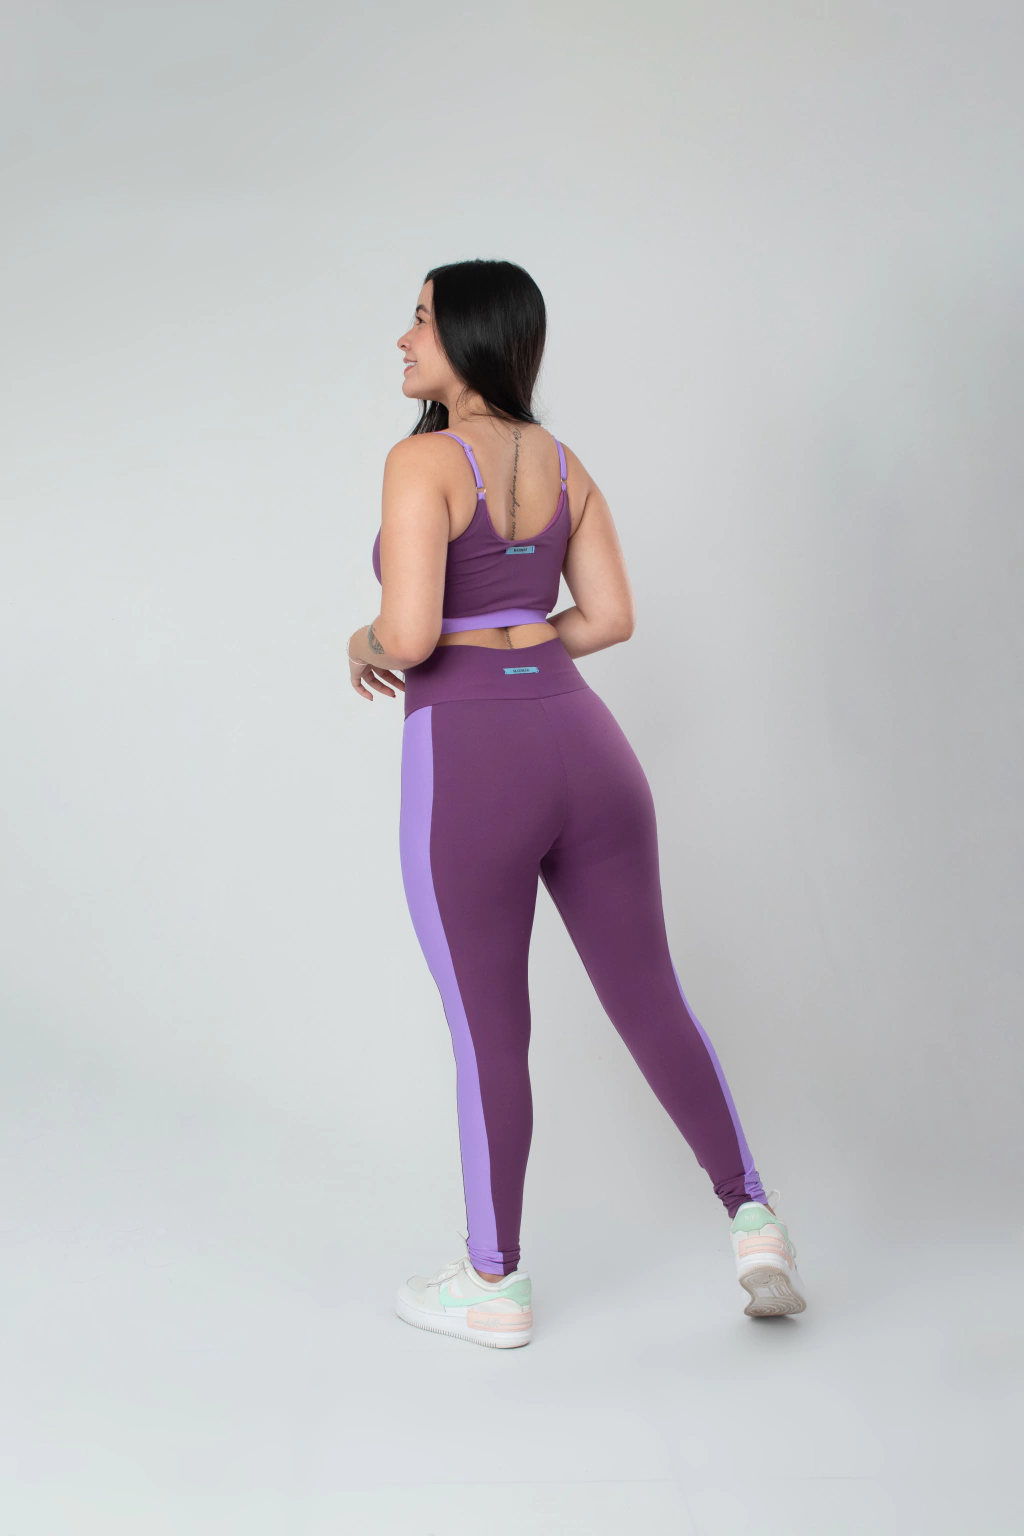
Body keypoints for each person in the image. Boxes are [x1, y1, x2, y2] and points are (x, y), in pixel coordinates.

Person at [347, 259, 807, 1348]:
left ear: (469, 335)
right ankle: (755, 1224)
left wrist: (360, 642)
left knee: (488, 1031)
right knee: (652, 998)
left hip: (472, 759)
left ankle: (492, 1282)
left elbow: (410, 635)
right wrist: (521, 646)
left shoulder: (420, 461)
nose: (403, 338)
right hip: (587, 747)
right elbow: (608, 617)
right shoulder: (565, 464)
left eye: (420, 319)